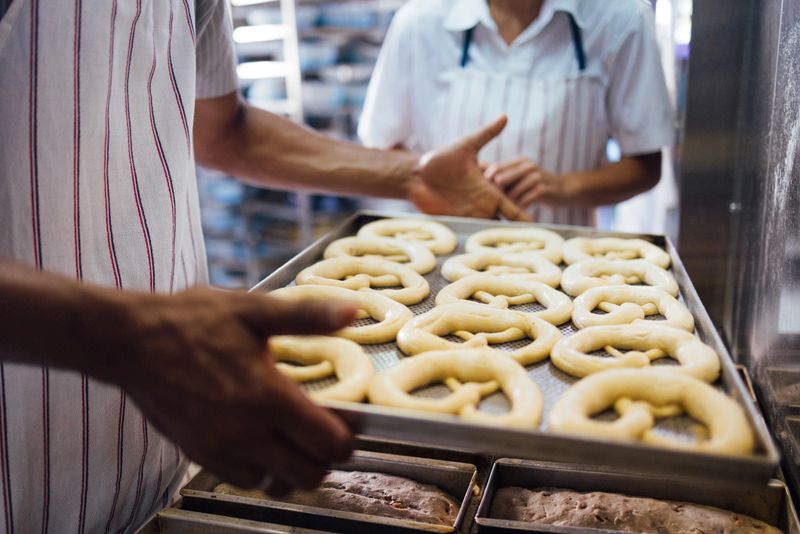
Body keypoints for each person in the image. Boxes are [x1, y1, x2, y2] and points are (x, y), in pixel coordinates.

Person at [0, 1, 525, 532]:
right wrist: (126, 334)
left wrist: (409, 174)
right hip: (21, 478)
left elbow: (224, 128)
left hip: (170, 454)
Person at [359, 0, 674, 227]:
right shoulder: (419, 21)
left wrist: (561, 187)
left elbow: (645, 165)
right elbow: (380, 146)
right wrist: (436, 177)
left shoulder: (622, 19)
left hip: (565, 257)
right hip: (439, 247)